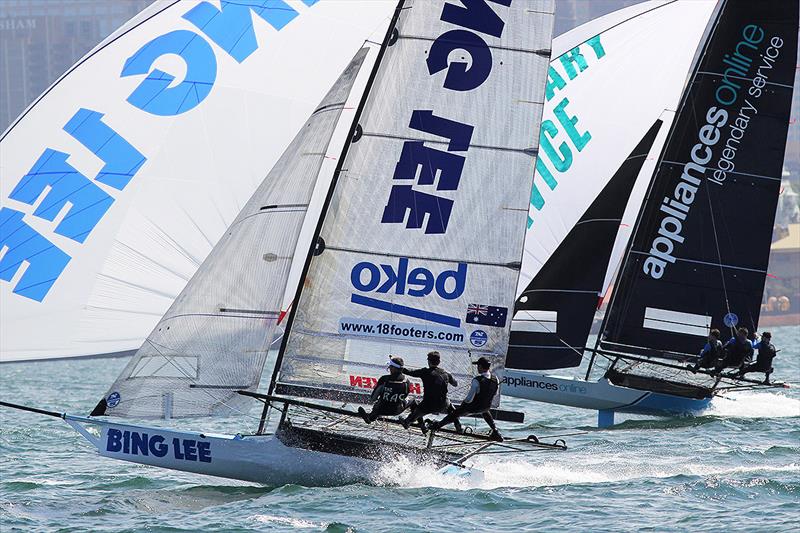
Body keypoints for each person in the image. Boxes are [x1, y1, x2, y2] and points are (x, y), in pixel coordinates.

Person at [428, 357, 503, 442]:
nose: (477, 368)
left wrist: (463, 404)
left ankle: (438, 425)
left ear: (481, 367)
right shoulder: (495, 379)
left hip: (473, 408)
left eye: (478, 366)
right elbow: (495, 394)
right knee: (485, 411)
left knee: (455, 413)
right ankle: (496, 431)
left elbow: (469, 399)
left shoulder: (477, 380)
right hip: (486, 407)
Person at [399, 351, 460, 434]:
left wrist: (398, 366)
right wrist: (449, 377)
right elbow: (455, 384)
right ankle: (458, 425)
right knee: (449, 404)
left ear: (428, 362)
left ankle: (408, 421)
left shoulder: (425, 372)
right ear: (439, 362)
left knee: (416, 407)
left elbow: (409, 372)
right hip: (442, 405)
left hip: (428, 405)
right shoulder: (446, 373)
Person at [357, 356, 411, 424]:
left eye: (390, 367)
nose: (389, 368)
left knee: (380, 404)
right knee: (413, 401)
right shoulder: (407, 381)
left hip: (381, 410)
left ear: (393, 368)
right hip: (397, 411)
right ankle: (410, 421)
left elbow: (373, 398)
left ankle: (371, 418)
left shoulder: (384, 379)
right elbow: (405, 396)